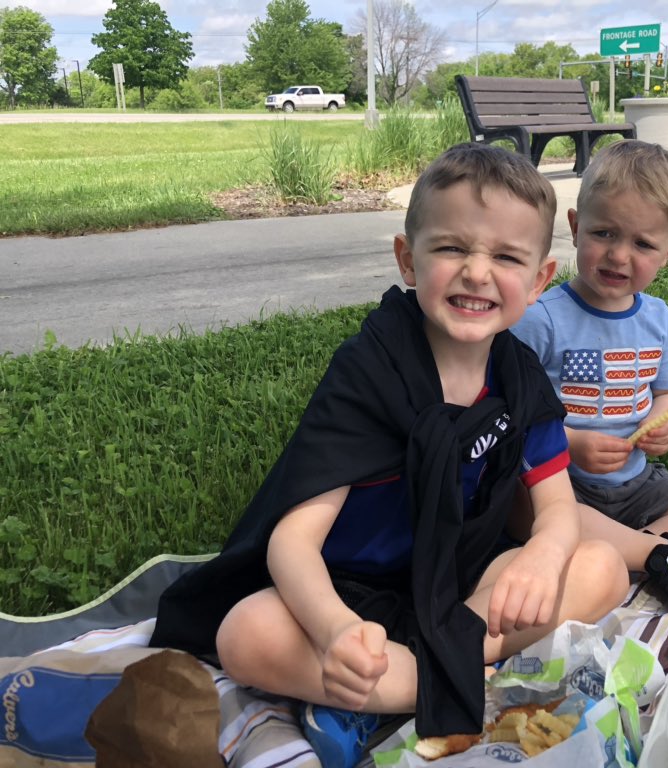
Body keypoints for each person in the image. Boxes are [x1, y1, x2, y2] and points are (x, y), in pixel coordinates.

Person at [148, 143, 629, 766]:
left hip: (460, 591)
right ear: (408, 258)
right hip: (351, 592)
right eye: (452, 248)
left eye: (507, 257)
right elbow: (292, 542)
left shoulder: (518, 375)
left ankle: (390, 688)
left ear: (539, 279)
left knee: (603, 568)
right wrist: (334, 632)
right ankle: (447, 682)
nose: (478, 273)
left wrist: (541, 554)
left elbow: (557, 505)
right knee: (245, 634)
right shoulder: (370, 371)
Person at [511, 139, 668, 611]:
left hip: (638, 484)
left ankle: (621, 552)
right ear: (576, 228)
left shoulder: (658, 319)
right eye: (604, 233)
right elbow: (509, 413)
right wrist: (571, 442)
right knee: (521, 508)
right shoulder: (541, 317)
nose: (619, 256)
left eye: (642, 243)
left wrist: (664, 423)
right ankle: (648, 556)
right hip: (562, 483)